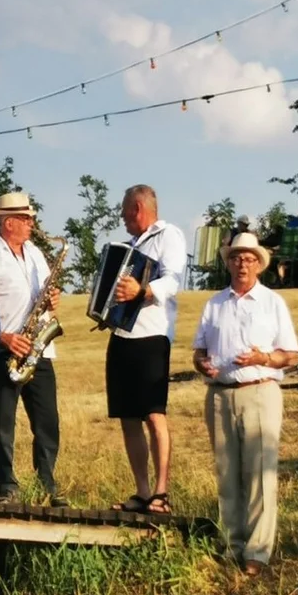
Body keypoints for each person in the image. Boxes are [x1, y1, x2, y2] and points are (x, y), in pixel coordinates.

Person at [192, 232, 297, 577]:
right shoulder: (214, 303)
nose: (242, 263)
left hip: (260, 390)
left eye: (249, 258)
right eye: (236, 257)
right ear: (229, 262)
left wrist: (262, 357)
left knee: (259, 472)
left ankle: (258, 552)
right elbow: (199, 351)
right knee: (227, 472)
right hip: (220, 394)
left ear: (259, 265)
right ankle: (232, 543)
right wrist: (202, 364)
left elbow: (289, 355)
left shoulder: (272, 303)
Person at [0, 192, 66, 506]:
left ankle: (47, 483)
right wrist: (5, 337)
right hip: (6, 351)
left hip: (39, 349)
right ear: (9, 222)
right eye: (26, 218)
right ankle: (7, 486)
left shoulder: (35, 253)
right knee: (5, 425)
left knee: (47, 421)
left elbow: (48, 291)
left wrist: (53, 299)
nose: (32, 223)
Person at [107, 184, 187, 514]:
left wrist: (142, 291)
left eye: (125, 213)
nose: (124, 220)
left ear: (139, 208)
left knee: (154, 414)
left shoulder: (169, 235)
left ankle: (161, 492)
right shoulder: (127, 246)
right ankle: (141, 491)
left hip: (152, 335)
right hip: (122, 335)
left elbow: (173, 279)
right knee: (127, 416)